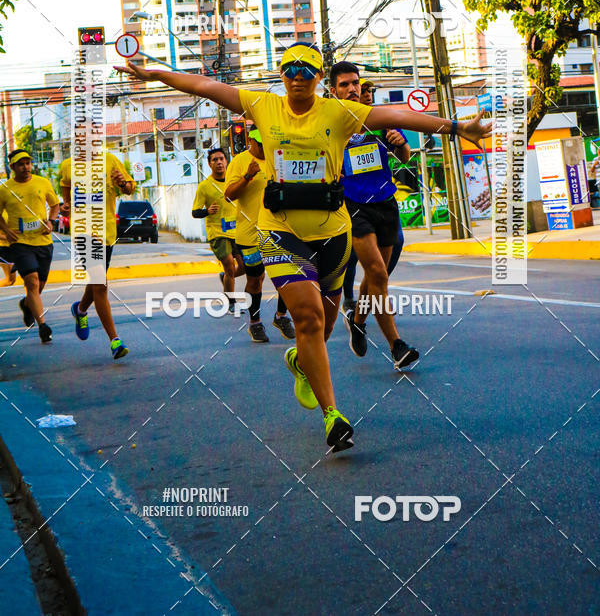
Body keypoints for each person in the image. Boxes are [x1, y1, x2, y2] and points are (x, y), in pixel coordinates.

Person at [117, 42, 492, 452]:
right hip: (280, 232)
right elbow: (205, 85)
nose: (297, 74)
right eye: (290, 67)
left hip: (333, 234)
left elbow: (401, 115)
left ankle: (299, 361)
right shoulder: (263, 105)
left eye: (306, 68)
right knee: (309, 320)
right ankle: (333, 417)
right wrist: (156, 75)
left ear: (318, 77)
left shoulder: (339, 112)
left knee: (325, 328)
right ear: (281, 74)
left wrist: (458, 129)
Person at [331, 62, 418, 369]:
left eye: (355, 83)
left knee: (375, 275)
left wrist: (401, 144)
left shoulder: (380, 121)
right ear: (333, 91)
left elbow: (405, 159)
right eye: (345, 85)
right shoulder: (329, 126)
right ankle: (397, 345)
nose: (352, 89)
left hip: (386, 203)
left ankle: (357, 321)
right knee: (379, 274)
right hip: (354, 206)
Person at [59, 150, 134, 360]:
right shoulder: (68, 165)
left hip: (107, 233)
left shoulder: (110, 161)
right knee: (100, 284)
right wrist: (66, 207)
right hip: (83, 232)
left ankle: (80, 310)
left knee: (95, 284)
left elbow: (129, 188)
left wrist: (122, 184)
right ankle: (115, 341)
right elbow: (66, 190)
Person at [224, 125, 295, 343]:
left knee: (287, 277)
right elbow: (228, 196)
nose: (265, 148)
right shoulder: (239, 161)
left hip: (280, 230)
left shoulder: (279, 158)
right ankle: (255, 322)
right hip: (250, 234)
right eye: (260, 144)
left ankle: (281, 316)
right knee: (255, 280)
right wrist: (248, 176)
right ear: (251, 142)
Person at [0, 150, 58, 342]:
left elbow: (55, 204)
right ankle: (43, 326)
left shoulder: (42, 182)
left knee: (38, 286)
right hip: (20, 243)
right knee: (31, 281)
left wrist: (51, 222)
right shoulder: (5, 189)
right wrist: (6, 231)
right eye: (21, 164)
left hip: (43, 242)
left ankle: (27, 304)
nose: (26, 167)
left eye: (28, 163)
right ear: (13, 167)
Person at [192, 147, 244, 313]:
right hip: (217, 233)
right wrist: (207, 211)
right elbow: (195, 212)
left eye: (221, 158)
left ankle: (227, 278)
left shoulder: (234, 182)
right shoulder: (204, 186)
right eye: (215, 160)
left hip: (238, 231)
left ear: (226, 161)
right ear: (209, 164)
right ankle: (231, 302)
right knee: (229, 265)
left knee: (245, 266)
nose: (219, 162)